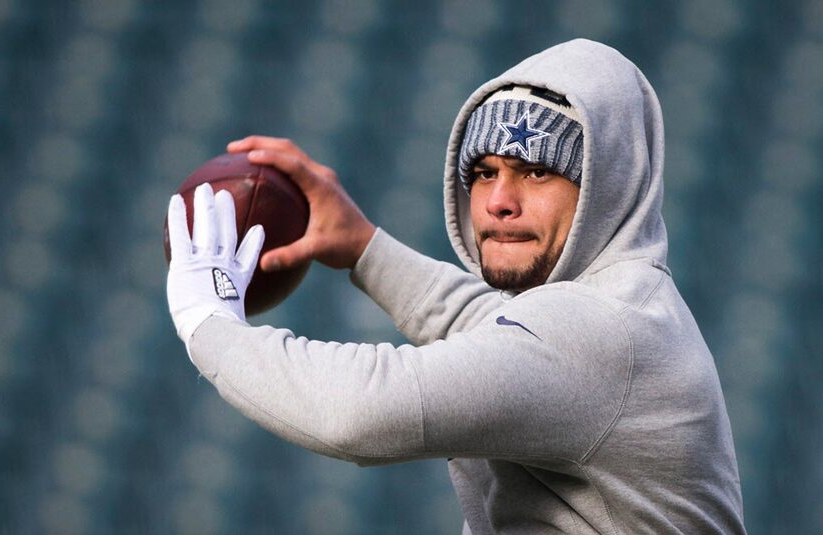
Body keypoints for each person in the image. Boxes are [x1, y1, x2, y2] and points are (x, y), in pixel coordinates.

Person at [166, 39, 746, 534]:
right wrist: (364, 246)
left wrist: (208, 321)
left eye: (537, 171)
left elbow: (362, 411)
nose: (497, 202)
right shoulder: (618, 309)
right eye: (483, 172)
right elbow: (483, 322)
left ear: (608, 185)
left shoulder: (602, 333)